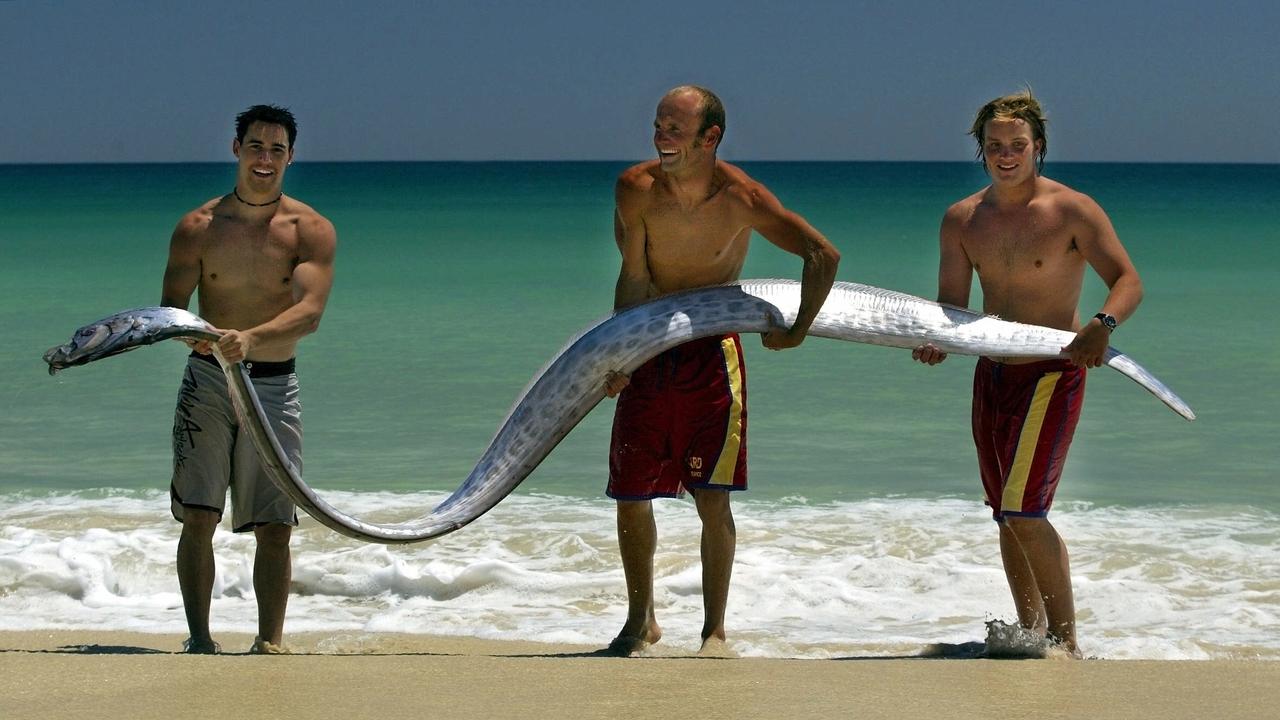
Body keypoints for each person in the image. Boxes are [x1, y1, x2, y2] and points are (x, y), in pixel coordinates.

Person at [603, 85, 841, 656]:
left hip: (713, 354)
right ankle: (642, 621)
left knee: (713, 497)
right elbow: (634, 277)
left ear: (710, 138)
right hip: (649, 347)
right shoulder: (635, 189)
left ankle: (714, 631)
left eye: (675, 127)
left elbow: (822, 256)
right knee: (631, 492)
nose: (661, 135)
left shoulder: (742, 199)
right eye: (658, 123)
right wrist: (617, 355)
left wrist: (798, 330)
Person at [912, 90, 1143, 656]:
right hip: (993, 374)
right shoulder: (963, 219)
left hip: (1053, 371)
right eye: (994, 146)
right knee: (1005, 516)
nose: (1006, 155)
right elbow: (953, 307)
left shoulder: (1072, 210)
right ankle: (1030, 636)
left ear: (1038, 147)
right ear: (981, 151)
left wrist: (1102, 324)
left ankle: (1066, 641)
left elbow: (1128, 280)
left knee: (1025, 509)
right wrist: (937, 341)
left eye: (1017, 145)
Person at [161, 104, 337, 654]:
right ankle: (199, 639)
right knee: (198, 514)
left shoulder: (309, 229)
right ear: (236, 149)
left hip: (274, 383)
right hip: (209, 381)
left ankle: (270, 643)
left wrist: (251, 339)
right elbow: (172, 306)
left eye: (277, 149)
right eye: (256, 146)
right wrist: (187, 332)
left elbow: (310, 312)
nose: (266, 159)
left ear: (291, 156)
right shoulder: (197, 228)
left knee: (276, 524)